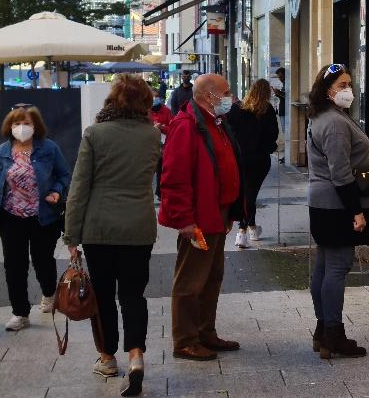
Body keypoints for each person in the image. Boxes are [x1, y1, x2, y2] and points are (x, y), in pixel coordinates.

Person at [64, 74, 161, 397]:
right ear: (144, 103)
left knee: (103, 296)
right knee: (133, 295)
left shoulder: (94, 134)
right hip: (139, 227)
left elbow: (79, 188)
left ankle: (107, 357)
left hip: (99, 228)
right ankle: (136, 357)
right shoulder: (151, 136)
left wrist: (71, 236)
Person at [158, 73, 246, 362]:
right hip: (198, 218)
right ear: (209, 96)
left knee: (212, 276)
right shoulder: (186, 126)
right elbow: (174, 178)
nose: (231, 96)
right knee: (191, 279)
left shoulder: (214, 123)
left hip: (216, 213)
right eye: (227, 91)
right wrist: (184, 220)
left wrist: (230, 210)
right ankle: (185, 340)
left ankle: (205, 331)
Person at [0, 105, 71, 332]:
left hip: (43, 217)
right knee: (14, 266)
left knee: (43, 261)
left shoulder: (48, 149)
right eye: (17, 123)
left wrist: (57, 191)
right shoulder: (0, 152)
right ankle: (20, 313)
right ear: (9, 126)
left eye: (27, 123)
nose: (22, 128)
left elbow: (65, 174)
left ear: (36, 126)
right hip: (11, 217)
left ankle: (49, 293)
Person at [307, 63, 369, 359]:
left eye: (349, 83)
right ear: (327, 90)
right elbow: (341, 172)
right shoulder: (334, 122)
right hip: (336, 205)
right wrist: (356, 211)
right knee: (336, 267)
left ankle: (323, 330)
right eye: (342, 85)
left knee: (324, 265)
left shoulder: (326, 115)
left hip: (324, 202)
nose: (349, 90)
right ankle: (333, 333)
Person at [225, 79, 279, 249]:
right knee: (250, 194)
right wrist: (270, 148)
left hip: (238, 158)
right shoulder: (267, 110)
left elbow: (227, 131)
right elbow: (273, 135)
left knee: (246, 194)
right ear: (267, 94)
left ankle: (252, 228)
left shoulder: (236, 109)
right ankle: (243, 231)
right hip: (259, 160)